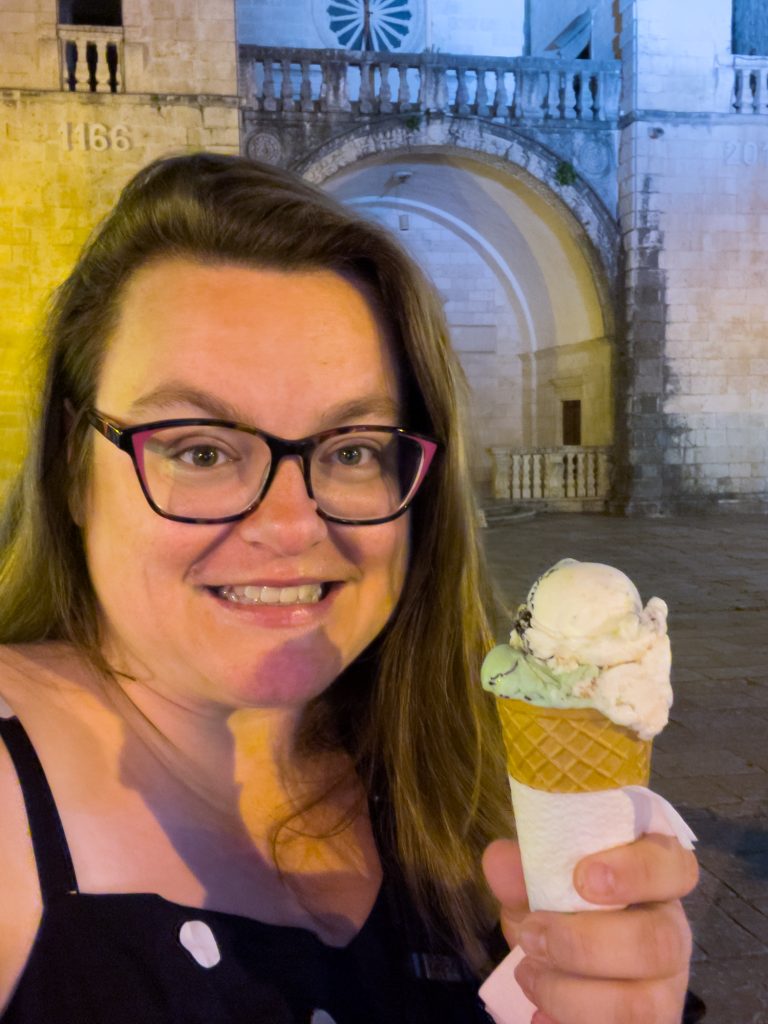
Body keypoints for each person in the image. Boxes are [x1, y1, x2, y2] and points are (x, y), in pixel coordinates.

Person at [0, 152, 699, 1023]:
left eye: (354, 451)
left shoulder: (461, 776)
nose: (293, 526)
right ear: (73, 468)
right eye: (201, 450)